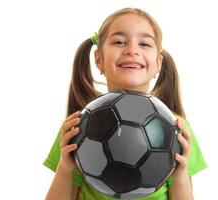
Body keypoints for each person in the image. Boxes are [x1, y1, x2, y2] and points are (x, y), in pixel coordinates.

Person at [44, 7, 207, 200]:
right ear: (99, 59)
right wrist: (65, 167)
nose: (132, 50)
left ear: (158, 64)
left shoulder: (177, 128)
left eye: (144, 44)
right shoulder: (77, 126)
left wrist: (179, 174)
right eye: (119, 42)